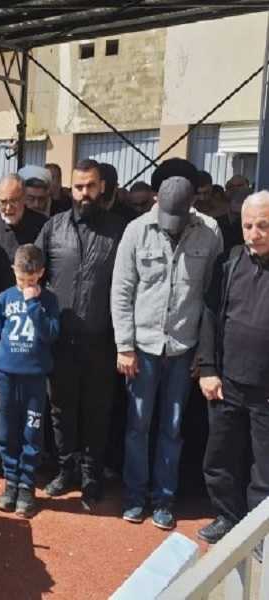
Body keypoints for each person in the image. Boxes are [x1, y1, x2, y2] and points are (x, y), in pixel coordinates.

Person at [111, 177, 223, 529]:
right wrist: (124, 345)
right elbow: (122, 290)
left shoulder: (210, 233)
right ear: (156, 201)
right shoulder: (136, 231)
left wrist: (204, 353)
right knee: (137, 425)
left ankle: (164, 500)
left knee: (172, 428)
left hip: (182, 347)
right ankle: (134, 496)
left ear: (192, 206)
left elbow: (211, 298)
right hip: (142, 347)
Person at [35, 159, 126, 511]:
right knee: (60, 410)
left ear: (101, 187)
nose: (84, 193)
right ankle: (65, 469)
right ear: (69, 189)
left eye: (90, 186)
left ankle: (91, 475)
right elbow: (35, 275)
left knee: (97, 411)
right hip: (60, 341)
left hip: (101, 341)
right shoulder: (53, 228)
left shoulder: (119, 231)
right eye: (78, 187)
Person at [197, 191, 269, 550]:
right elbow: (210, 316)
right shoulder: (229, 262)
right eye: (247, 225)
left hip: (265, 389)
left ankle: (259, 533)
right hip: (226, 382)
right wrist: (207, 368)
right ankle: (227, 516)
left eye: (263, 226)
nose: (254, 234)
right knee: (220, 457)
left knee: (264, 467)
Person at [0, 244, 61, 518]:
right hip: (6, 377)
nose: (25, 285)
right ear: (13, 271)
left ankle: (27, 486)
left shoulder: (48, 300)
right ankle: (10, 483)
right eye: (20, 279)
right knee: (7, 432)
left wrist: (32, 304)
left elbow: (51, 334)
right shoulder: (5, 298)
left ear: (40, 273)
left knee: (31, 432)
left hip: (34, 380)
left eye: (30, 280)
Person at [0, 174, 49, 291]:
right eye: (3, 202)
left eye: (13, 201)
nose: (8, 208)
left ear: (24, 198)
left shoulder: (42, 225)